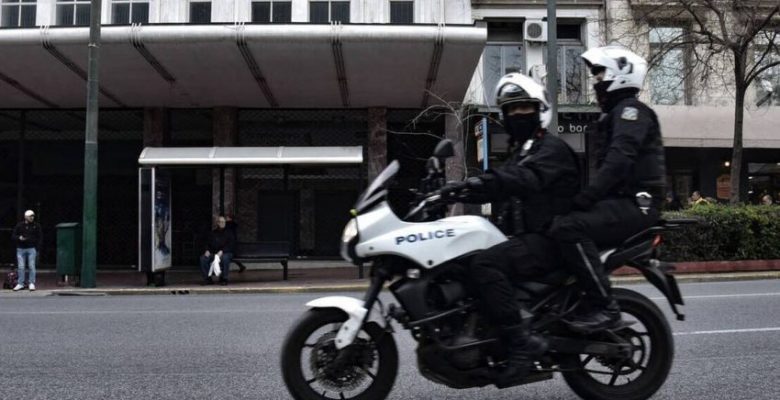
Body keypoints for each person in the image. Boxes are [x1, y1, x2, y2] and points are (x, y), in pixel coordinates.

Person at [439, 73, 581, 386]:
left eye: (524, 108)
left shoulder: (551, 149)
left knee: (485, 264)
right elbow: (500, 184)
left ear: (540, 110)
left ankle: (521, 343)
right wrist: (455, 191)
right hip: (526, 239)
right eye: (511, 109)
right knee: (464, 262)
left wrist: (472, 183)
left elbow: (521, 179)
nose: (517, 114)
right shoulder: (523, 152)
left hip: (550, 239)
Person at [549, 46, 666, 333]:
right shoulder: (615, 115)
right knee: (558, 221)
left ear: (620, 75)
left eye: (601, 76)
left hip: (638, 204)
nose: (596, 82)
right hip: (623, 202)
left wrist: (588, 197)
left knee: (569, 228)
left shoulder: (630, 111)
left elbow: (619, 160)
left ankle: (605, 308)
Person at [199, 215, 236, 286]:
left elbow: (231, 245)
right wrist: (207, 250)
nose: (222, 223)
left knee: (225, 258)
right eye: (220, 222)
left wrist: (222, 251)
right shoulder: (213, 233)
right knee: (203, 258)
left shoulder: (229, 233)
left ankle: (224, 278)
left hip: (226, 252)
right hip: (214, 253)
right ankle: (207, 279)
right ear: (217, 223)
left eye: (223, 222)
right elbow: (207, 243)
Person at [12, 210, 43, 291]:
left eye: (33, 216)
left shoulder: (36, 226)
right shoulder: (19, 225)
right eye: (30, 216)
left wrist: (37, 247)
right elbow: (13, 236)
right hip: (20, 248)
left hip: (31, 248)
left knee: (31, 266)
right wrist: (19, 238)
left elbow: (40, 237)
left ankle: (31, 283)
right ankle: (20, 283)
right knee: (21, 267)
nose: (32, 217)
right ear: (25, 217)